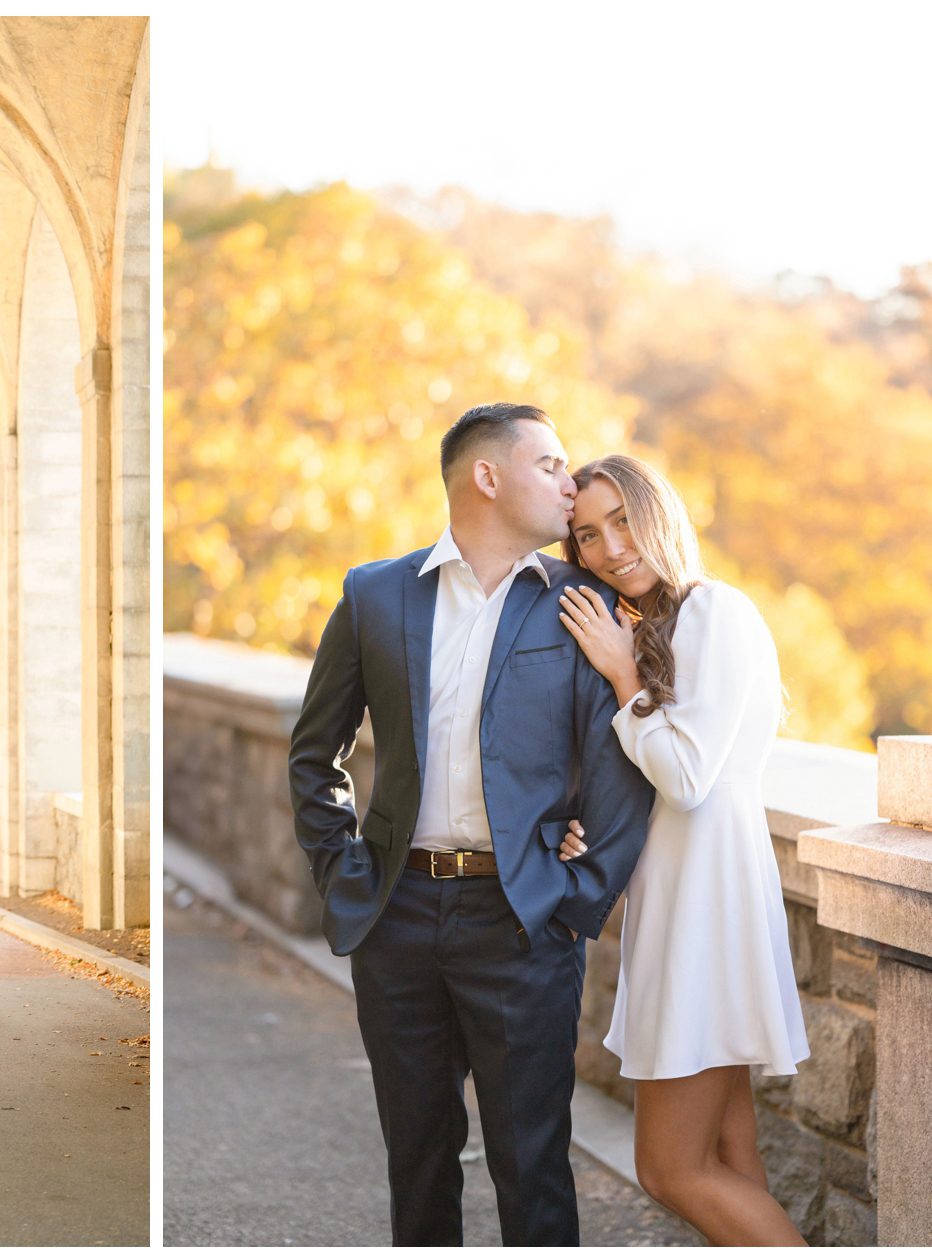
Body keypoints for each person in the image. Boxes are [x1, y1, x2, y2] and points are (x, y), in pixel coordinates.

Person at [287, 403, 656, 1245]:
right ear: (487, 477)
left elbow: (616, 772)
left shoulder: (585, 602)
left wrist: (573, 901)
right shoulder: (375, 594)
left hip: (523, 922)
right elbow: (316, 753)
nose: (571, 483)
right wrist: (343, 872)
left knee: (533, 1163)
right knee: (416, 1157)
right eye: (551, 465)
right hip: (397, 914)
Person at [550, 453, 809, 1245]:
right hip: (683, 895)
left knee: (669, 1168)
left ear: (658, 511)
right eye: (587, 535)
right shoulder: (657, 623)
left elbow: (688, 776)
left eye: (623, 520)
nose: (608, 548)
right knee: (729, 1150)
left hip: (709, 902)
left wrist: (623, 673)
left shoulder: (712, 611)